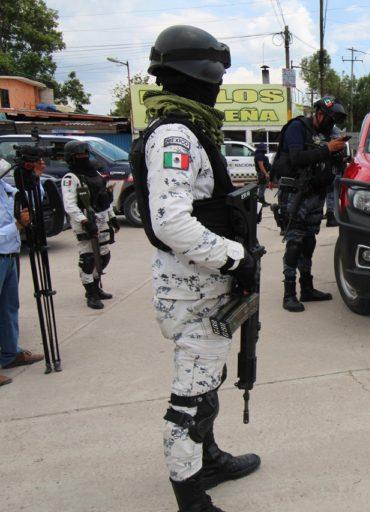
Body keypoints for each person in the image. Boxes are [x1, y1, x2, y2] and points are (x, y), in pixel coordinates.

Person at [134, 25, 260, 512]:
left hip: (207, 289)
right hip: (192, 293)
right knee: (188, 400)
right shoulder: (175, 134)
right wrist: (237, 257)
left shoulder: (190, 129)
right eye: (214, 76)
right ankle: (191, 497)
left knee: (207, 382)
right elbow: (170, 222)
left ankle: (206, 459)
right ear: (192, 76)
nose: (218, 85)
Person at [273, 96, 347, 312]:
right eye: (329, 120)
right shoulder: (297, 127)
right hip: (295, 194)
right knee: (294, 242)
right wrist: (327, 149)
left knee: (308, 241)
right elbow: (296, 158)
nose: (330, 125)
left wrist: (338, 154)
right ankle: (289, 294)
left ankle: (307, 287)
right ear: (320, 113)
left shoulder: (325, 135)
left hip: (316, 194)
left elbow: (324, 159)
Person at [0, 149, 45, 386]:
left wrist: (35, 177)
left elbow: (29, 199)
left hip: (9, 255)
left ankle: (9, 353)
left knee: (9, 307)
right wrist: (17, 225)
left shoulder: (4, 189)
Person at [61, 141, 119, 310]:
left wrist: (112, 217)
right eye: (80, 155)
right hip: (85, 222)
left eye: (85, 154)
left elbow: (104, 199)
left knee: (103, 256)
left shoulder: (96, 175)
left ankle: (96, 286)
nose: (84, 157)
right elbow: (70, 205)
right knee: (88, 259)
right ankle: (90, 293)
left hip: (101, 219)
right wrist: (85, 222)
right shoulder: (70, 178)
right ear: (72, 158)